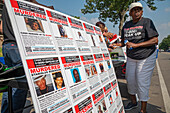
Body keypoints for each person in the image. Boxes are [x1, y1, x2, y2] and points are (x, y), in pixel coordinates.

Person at [1, 1, 54, 112]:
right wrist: (48, 8)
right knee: (21, 85)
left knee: (9, 83)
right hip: (17, 46)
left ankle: (6, 110)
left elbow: (1, 28)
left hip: (7, 45)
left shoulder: (7, 4)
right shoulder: (19, 3)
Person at [110, 2, 158, 113]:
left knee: (142, 82)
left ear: (142, 12)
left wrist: (136, 45)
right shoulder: (126, 25)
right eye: (134, 10)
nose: (136, 13)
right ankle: (133, 102)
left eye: (139, 10)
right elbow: (123, 42)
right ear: (130, 13)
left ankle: (143, 110)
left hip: (146, 56)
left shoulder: (147, 22)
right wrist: (115, 45)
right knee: (130, 81)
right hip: (132, 57)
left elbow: (155, 40)